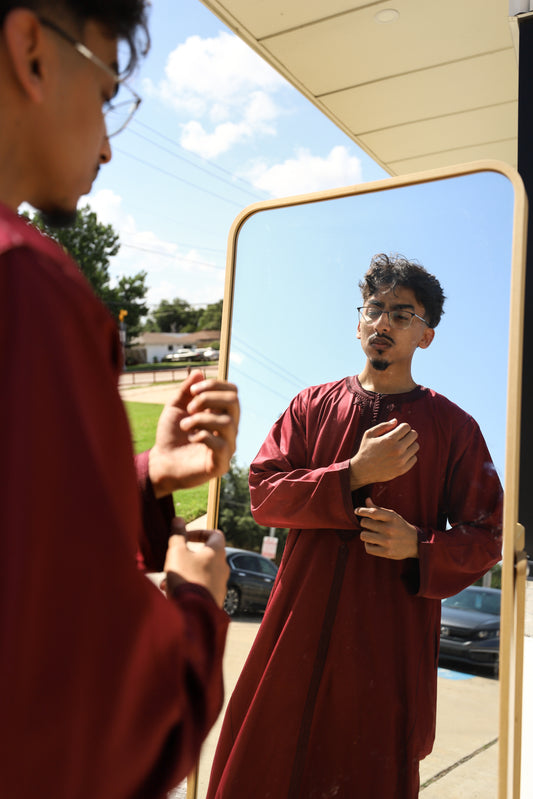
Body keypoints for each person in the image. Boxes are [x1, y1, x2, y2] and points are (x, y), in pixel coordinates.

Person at [0, 3, 240, 798]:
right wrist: (197, 600)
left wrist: (143, 478)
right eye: (106, 94)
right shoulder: (30, 291)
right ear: (32, 51)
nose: (106, 144)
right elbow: (96, 730)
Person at [207, 254, 502, 799]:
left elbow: (490, 535)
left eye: (402, 314)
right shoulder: (310, 406)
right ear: (358, 322)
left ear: (426, 336)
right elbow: (264, 494)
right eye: (374, 309)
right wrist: (353, 475)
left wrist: (419, 545)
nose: (383, 323)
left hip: (388, 645)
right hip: (294, 627)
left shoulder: (454, 428)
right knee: (264, 764)